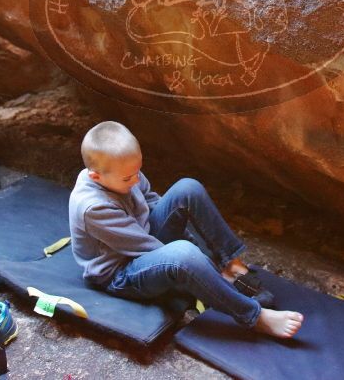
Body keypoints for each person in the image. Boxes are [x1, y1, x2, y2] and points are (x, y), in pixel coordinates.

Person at [68, 121, 303, 338]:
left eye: (138, 171)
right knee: (183, 254)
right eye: (129, 178)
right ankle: (253, 316)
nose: (136, 181)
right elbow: (146, 247)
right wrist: (203, 268)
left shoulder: (122, 170)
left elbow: (152, 201)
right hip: (122, 273)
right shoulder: (93, 208)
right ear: (95, 176)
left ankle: (231, 264)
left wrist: (205, 258)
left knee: (188, 188)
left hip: (144, 239)